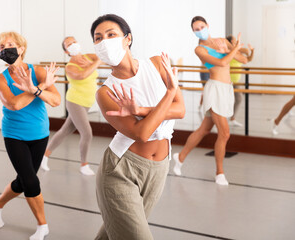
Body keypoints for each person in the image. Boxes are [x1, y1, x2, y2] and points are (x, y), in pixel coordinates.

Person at [91, 14, 185, 239]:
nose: (104, 41)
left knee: (115, 232)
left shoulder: (156, 64)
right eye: (98, 38)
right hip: (121, 171)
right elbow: (141, 133)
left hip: (159, 168)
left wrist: (141, 110)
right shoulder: (106, 92)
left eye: (111, 34)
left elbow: (180, 110)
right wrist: (170, 92)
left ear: (127, 38)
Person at [0, 31, 60, 240]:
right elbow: (14, 104)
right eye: (1, 47)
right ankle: (42, 225)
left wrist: (36, 87)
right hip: (14, 134)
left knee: (22, 181)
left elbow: (55, 101)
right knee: (31, 181)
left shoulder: (37, 71)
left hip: (39, 133)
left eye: (10, 44)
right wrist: (41, 88)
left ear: (21, 48)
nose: (5, 48)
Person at [173, 16, 247, 185]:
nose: (200, 30)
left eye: (201, 26)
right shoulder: (199, 50)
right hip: (214, 90)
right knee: (225, 133)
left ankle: (180, 157)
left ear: (207, 25)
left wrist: (234, 48)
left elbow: (244, 60)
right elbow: (222, 63)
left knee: (204, 129)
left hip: (226, 90)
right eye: (196, 29)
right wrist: (232, 50)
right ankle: (219, 173)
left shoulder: (221, 41)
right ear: (194, 32)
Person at [40, 36, 102, 175]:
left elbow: (103, 57)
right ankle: (84, 165)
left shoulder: (89, 57)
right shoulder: (70, 67)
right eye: (69, 44)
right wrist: (96, 62)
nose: (73, 44)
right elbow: (83, 75)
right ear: (66, 51)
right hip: (75, 102)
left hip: (87, 103)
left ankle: (44, 156)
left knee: (65, 131)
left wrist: (96, 61)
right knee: (87, 133)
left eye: (74, 41)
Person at [226, 35, 254, 127]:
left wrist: (252, 50)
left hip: (235, 82)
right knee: (226, 100)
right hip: (226, 81)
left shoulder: (237, 52)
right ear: (229, 43)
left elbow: (248, 59)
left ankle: (232, 118)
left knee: (238, 98)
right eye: (234, 41)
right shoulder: (228, 52)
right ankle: (218, 120)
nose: (236, 42)